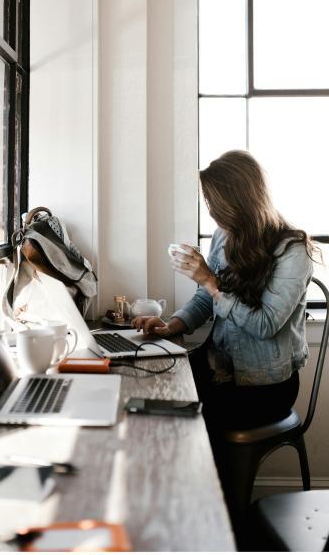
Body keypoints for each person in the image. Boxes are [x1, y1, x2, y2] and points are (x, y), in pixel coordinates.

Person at [131, 149, 317, 441]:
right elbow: (207, 298)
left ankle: (201, 483)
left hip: (263, 387)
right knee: (145, 389)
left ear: (239, 201)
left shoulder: (292, 251)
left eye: (213, 202)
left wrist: (209, 280)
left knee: (172, 418)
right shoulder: (224, 235)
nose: (210, 210)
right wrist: (172, 326)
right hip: (219, 368)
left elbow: (264, 325)